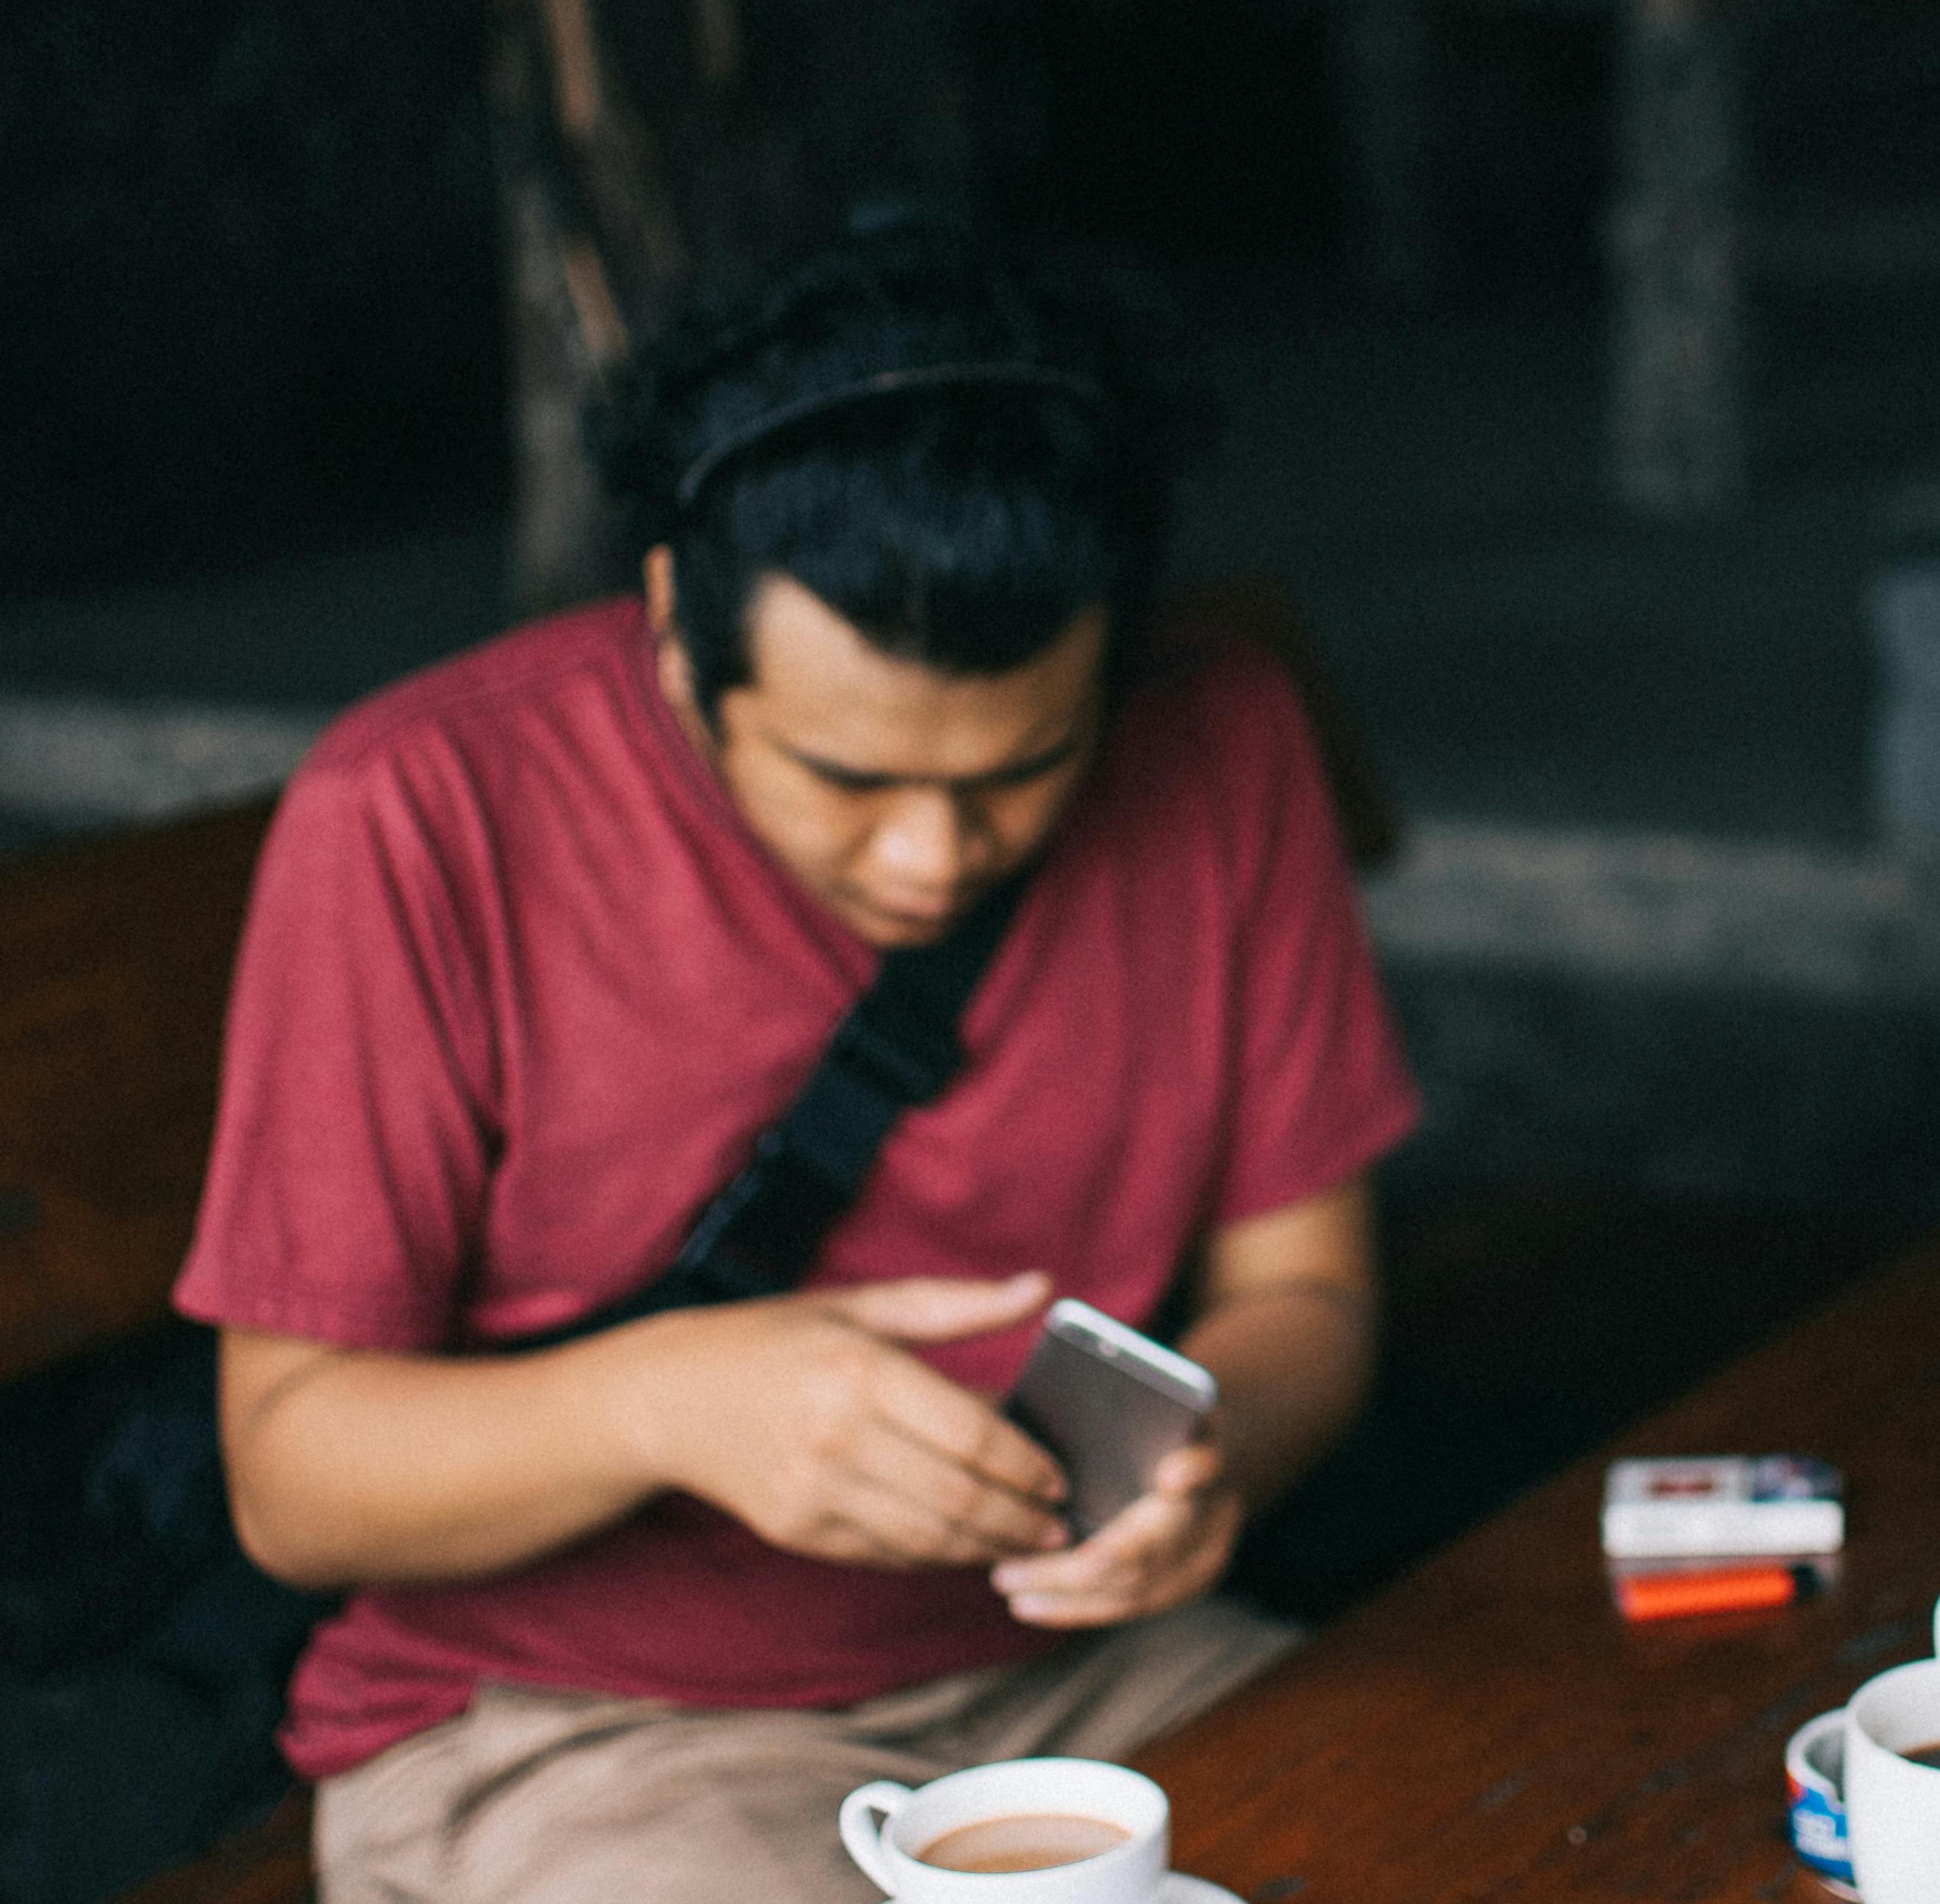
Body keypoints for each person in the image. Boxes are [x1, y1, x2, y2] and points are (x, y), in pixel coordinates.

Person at [171, 221, 1419, 1904]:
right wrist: (669, 1401)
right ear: (680, 618)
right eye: (843, 777)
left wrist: (1214, 1467)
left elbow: (1307, 1290)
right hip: (590, 1733)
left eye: (1023, 767)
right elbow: (294, 1479)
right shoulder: (421, 813)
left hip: (1098, 1678)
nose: (929, 857)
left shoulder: (1222, 737)